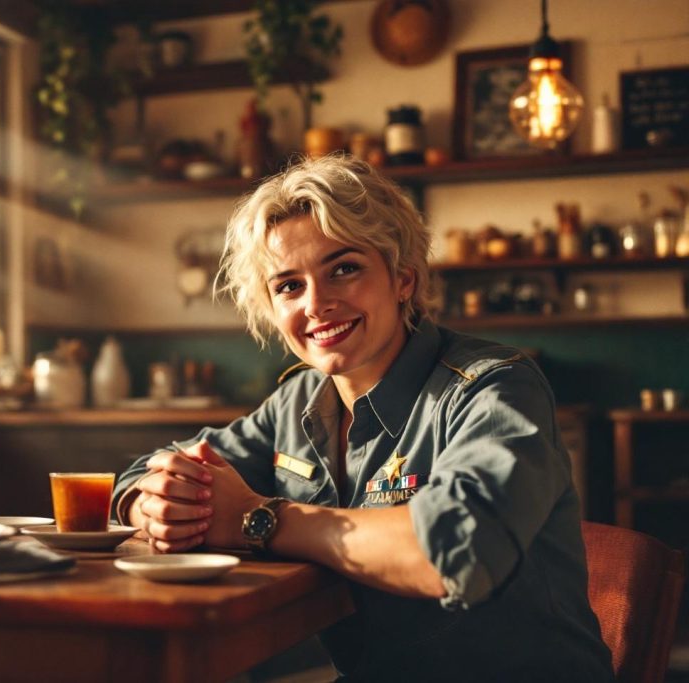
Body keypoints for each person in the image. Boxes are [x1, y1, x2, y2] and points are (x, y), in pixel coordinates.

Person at [111, 154, 614, 682]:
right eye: (288, 286)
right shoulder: (298, 400)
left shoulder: (495, 385)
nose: (316, 304)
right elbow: (148, 471)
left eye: (343, 269)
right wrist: (158, 502)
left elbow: (456, 550)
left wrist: (258, 517)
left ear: (402, 279)